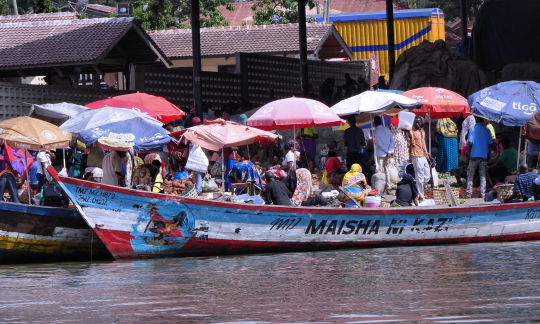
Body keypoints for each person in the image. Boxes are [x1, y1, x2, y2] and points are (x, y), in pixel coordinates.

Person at [466, 117, 493, 198]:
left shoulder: (472, 129)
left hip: (473, 156)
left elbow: (470, 142)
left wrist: (469, 148)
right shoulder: (487, 130)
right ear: (483, 120)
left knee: (470, 175)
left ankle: (468, 194)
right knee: (482, 176)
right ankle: (482, 193)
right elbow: (490, 143)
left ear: (476, 120)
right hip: (483, 156)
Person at [408, 116, 431, 200]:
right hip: (416, 155)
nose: (417, 124)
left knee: (427, 176)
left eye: (418, 122)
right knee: (420, 177)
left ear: (421, 123)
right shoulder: (411, 132)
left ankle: (417, 188)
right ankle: (421, 196)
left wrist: (427, 157)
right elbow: (409, 144)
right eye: (415, 122)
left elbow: (424, 144)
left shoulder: (422, 132)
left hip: (423, 155)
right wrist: (410, 137)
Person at [373, 116, 394, 194]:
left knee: (381, 171)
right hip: (388, 153)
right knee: (387, 170)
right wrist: (389, 151)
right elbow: (392, 141)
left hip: (381, 154)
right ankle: (388, 186)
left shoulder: (375, 132)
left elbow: (378, 143)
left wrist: (386, 151)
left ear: (375, 123)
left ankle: (382, 188)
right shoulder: (387, 130)